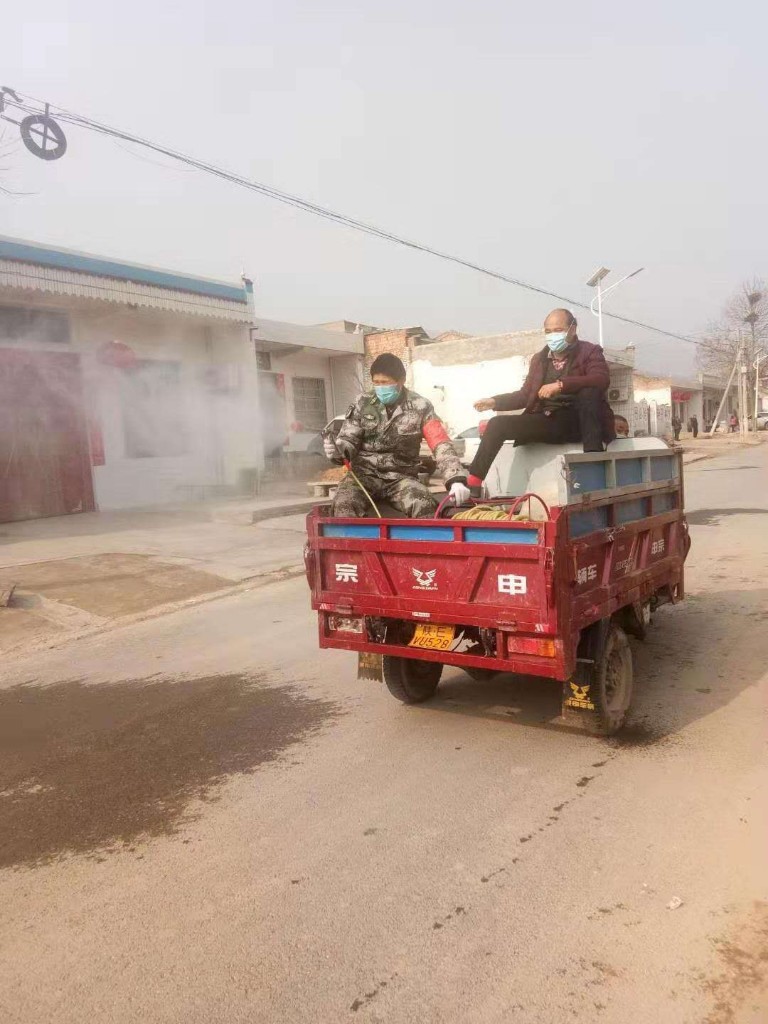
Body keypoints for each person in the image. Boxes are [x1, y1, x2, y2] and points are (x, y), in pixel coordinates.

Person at [465, 309, 614, 492]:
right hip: (550, 420)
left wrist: (561, 385)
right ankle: (472, 485)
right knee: (497, 424)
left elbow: (600, 379)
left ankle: (593, 462)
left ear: (573, 329)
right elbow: (525, 395)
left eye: (558, 330)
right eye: (548, 331)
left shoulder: (590, 351)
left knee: (589, 391)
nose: (553, 336)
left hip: (580, 421)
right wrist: (494, 402)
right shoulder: (539, 359)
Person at [324, 353, 469, 517]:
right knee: (343, 504)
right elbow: (348, 439)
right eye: (376, 383)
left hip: (401, 478)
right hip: (363, 476)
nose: (380, 388)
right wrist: (337, 450)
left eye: (385, 382)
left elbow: (440, 443)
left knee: (424, 505)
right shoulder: (362, 403)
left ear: (401, 380)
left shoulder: (420, 406)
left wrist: (455, 479)